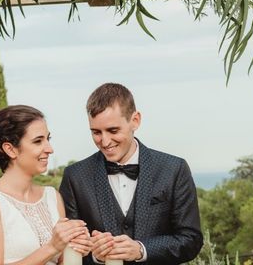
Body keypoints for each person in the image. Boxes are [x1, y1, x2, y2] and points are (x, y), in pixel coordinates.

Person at [59, 83, 203, 264]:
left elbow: (191, 240)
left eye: (113, 130)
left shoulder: (174, 169)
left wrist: (141, 250)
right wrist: (96, 256)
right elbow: (69, 248)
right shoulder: (75, 176)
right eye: (96, 132)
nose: (104, 141)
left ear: (135, 120)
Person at [0, 105, 92, 265]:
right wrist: (52, 247)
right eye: (38, 141)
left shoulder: (52, 196)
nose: (49, 149)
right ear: (10, 149)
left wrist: (77, 247)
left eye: (48, 139)